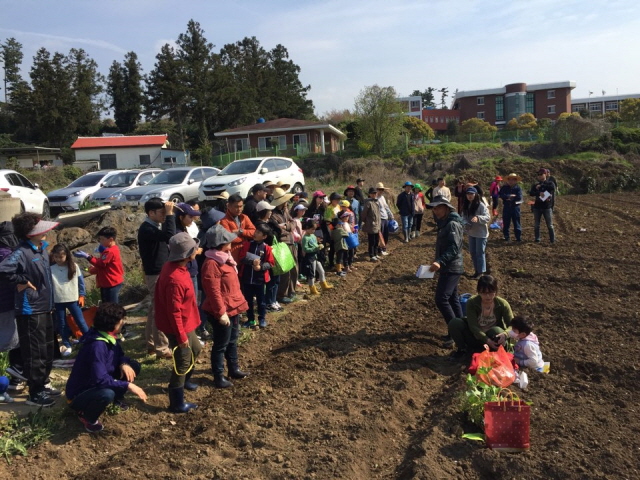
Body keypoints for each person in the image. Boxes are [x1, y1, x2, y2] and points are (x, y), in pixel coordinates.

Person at [0, 213, 60, 407]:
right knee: (34, 352)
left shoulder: (42, 249)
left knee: (47, 349)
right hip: (29, 310)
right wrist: (22, 281)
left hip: (45, 307)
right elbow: (3, 269)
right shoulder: (21, 251)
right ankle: (35, 393)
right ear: (29, 232)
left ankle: (43, 384)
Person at [65, 303, 147, 432]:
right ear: (112, 323)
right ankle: (87, 416)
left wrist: (123, 363)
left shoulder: (107, 336)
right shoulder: (97, 346)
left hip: (99, 381)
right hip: (81, 393)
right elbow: (100, 379)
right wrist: (127, 385)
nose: (123, 323)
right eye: (121, 321)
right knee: (106, 394)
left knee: (133, 367)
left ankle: (116, 399)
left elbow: (120, 355)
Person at [155, 232, 203, 413]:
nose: (197, 250)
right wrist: (181, 336)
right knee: (182, 361)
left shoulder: (175, 267)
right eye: (194, 249)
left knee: (196, 349)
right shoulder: (175, 279)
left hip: (186, 321)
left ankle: (186, 381)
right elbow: (173, 311)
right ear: (187, 255)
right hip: (178, 326)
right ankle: (176, 402)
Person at [201, 225, 249, 388]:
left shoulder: (225, 257)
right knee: (221, 343)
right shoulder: (212, 264)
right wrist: (221, 313)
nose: (231, 241)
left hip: (233, 306)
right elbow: (213, 291)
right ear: (222, 243)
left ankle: (233, 369)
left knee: (233, 340)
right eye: (228, 239)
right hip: (222, 310)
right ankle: (218, 375)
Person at [138, 199, 175, 359]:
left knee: (154, 309)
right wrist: (170, 214)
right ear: (151, 213)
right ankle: (162, 348)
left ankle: (152, 344)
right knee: (160, 310)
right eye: (161, 213)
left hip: (157, 271)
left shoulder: (152, 226)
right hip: (155, 273)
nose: (164, 216)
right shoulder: (147, 229)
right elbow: (170, 236)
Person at [426, 196, 464, 348]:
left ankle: (455, 332)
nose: (435, 210)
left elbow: (454, 248)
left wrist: (440, 261)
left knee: (441, 299)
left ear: (446, 208)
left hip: (452, 267)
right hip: (450, 267)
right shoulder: (444, 223)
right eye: (433, 208)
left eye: (437, 207)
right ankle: (461, 330)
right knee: (453, 299)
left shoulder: (452, 224)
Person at [448, 275, 514, 358]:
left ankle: (495, 353)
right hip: (477, 336)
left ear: (496, 291)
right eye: (484, 293)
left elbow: (512, 325)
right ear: (478, 291)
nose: (488, 296)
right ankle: (463, 350)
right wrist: (486, 339)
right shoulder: (472, 302)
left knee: (496, 330)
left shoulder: (502, 304)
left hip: (493, 337)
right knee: (455, 323)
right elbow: (473, 326)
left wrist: (505, 334)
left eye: (491, 293)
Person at [51, 244, 88, 356]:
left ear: (66, 255)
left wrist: (82, 295)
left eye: (61, 257)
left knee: (80, 321)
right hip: (58, 300)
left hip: (73, 299)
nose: (58, 259)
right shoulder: (51, 269)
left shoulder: (74, 266)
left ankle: (89, 340)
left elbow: (81, 282)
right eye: (56, 257)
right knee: (61, 324)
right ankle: (67, 344)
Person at [74, 227, 124, 304]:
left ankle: (116, 316)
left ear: (110, 239)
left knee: (112, 306)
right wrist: (90, 269)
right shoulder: (110, 250)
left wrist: (87, 257)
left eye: (102, 239)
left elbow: (101, 264)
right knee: (106, 305)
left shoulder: (110, 251)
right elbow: (102, 265)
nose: (100, 241)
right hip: (107, 283)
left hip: (112, 283)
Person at [238, 224, 275, 329]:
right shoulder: (247, 245)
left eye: (258, 233)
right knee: (248, 300)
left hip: (260, 279)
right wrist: (252, 262)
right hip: (247, 277)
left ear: (264, 236)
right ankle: (251, 319)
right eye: (256, 231)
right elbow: (241, 257)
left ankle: (262, 318)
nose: (255, 233)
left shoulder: (267, 248)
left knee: (261, 300)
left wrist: (261, 267)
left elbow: (271, 263)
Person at [0, 221, 20, 392]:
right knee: (14, 341)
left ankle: (14, 378)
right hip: (8, 304)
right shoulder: (9, 255)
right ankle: (15, 377)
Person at [271, 188, 298, 303]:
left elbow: (293, 222)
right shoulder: (273, 215)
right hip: (283, 244)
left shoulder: (286, 211)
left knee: (294, 268)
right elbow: (279, 231)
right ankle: (282, 294)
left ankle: (292, 291)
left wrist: (286, 226)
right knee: (285, 269)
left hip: (291, 241)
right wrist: (288, 227)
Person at [461, 187, 490, 279]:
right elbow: (463, 217)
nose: (470, 196)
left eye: (472, 194)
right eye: (468, 194)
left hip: (481, 233)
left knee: (480, 253)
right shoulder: (466, 205)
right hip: (471, 232)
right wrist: (465, 223)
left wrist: (478, 218)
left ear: (476, 195)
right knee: (473, 252)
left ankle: (481, 272)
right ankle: (476, 271)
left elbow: (487, 217)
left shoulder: (481, 205)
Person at [219, 193, 256, 263]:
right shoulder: (224, 221)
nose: (239, 209)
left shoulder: (244, 217)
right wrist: (244, 237)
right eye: (236, 207)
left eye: (241, 206)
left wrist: (241, 231)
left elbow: (254, 232)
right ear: (229, 206)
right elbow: (228, 238)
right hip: (233, 252)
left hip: (246, 250)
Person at [301, 218, 333, 295]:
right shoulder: (305, 238)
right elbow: (305, 248)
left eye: (314, 229)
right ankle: (312, 288)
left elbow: (315, 244)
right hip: (310, 257)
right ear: (307, 228)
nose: (313, 231)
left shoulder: (313, 236)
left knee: (322, 271)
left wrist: (319, 246)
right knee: (312, 274)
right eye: (312, 229)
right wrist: (315, 248)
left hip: (315, 256)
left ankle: (324, 285)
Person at [530, 168, 556, 244]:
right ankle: (537, 238)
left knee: (550, 225)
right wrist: (538, 193)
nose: (539, 176)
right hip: (537, 206)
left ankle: (552, 239)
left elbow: (552, 188)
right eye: (538, 175)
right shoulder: (535, 184)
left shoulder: (550, 183)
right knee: (536, 224)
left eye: (541, 174)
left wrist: (541, 186)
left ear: (545, 174)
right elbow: (531, 193)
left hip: (547, 206)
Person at [499, 173, 523, 242]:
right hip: (506, 207)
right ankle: (507, 237)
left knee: (517, 222)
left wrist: (513, 198)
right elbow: (501, 195)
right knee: (506, 222)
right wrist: (508, 196)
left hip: (515, 207)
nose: (511, 181)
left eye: (513, 180)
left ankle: (518, 237)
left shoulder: (518, 188)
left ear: (515, 181)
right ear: (507, 180)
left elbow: (519, 197)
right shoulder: (504, 188)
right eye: (510, 179)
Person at [361, 187, 381, 261]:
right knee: (371, 240)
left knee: (376, 240)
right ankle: (371, 255)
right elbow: (363, 214)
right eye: (372, 193)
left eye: (375, 193)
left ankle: (375, 254)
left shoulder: (377, 202)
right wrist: (366, 221)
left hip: (377, 224)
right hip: (371, 225)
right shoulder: (368, 203)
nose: (374, 194)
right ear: (369, 194)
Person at [375, 183, 393, 256]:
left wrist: (390, 214)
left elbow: (386, 207)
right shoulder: (375, 199)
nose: (381, 191)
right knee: (380, 235)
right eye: (379, 189)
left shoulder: (382, 197)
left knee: (386, 234)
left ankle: (384, 248)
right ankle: (380, 249)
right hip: (380, 218)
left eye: (382, 190)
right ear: (377, 190)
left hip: (385, 218)